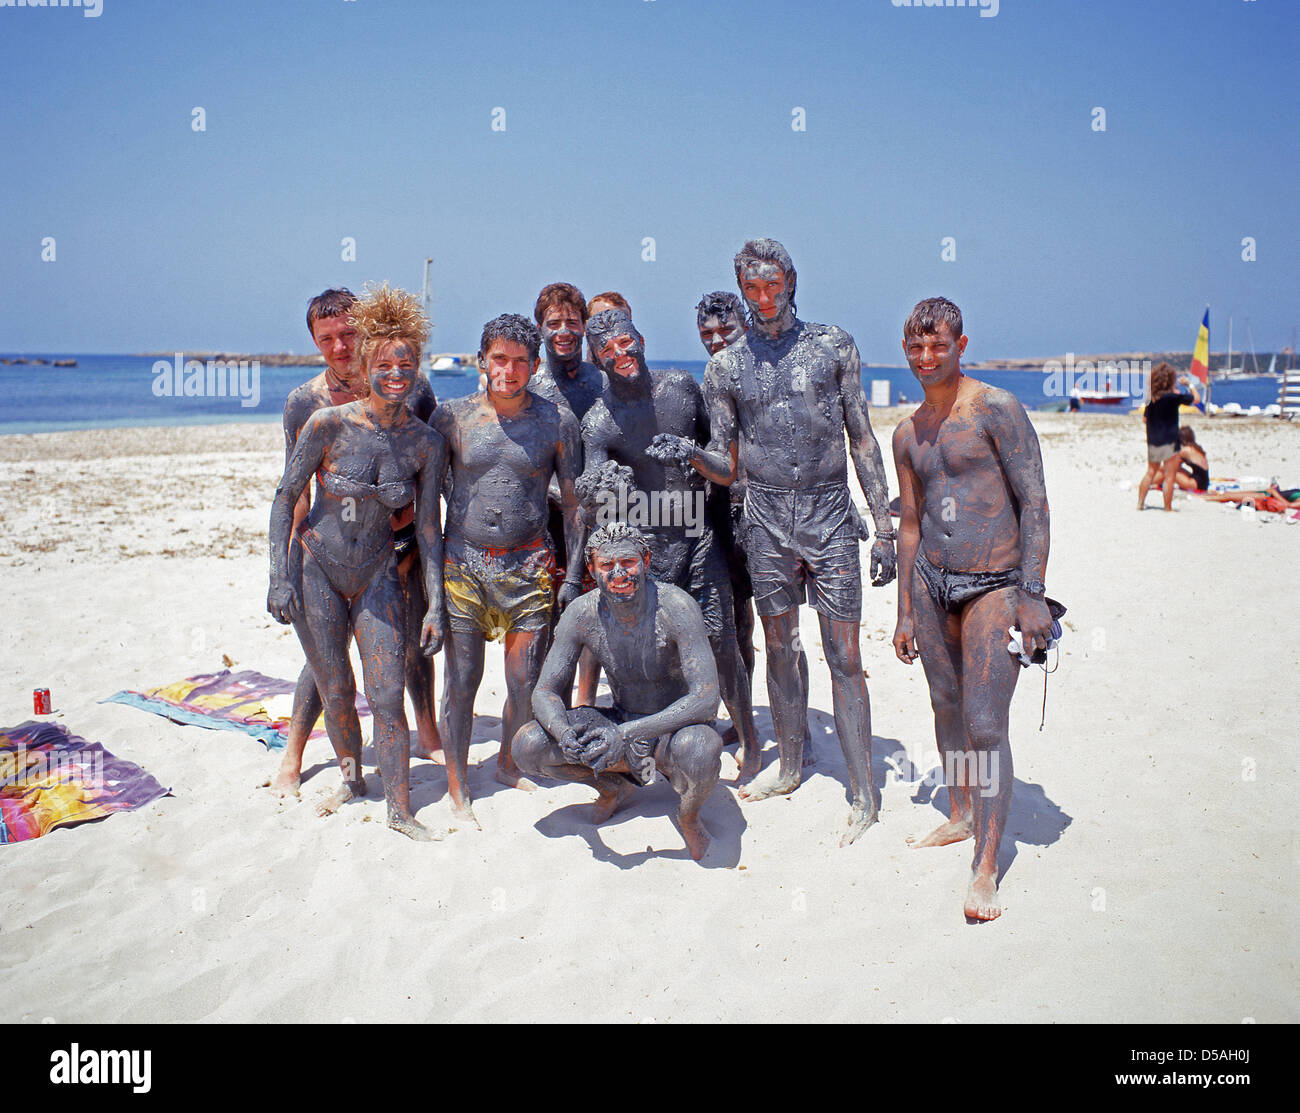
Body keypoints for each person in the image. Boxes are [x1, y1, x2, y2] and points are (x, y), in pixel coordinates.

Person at [660, 238, 897, 845]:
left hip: (829, 511)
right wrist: (690, 454)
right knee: (782, 644)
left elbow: (862, 440)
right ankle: (790, 766)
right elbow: (726, 458)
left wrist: (884, 526)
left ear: (791, 280)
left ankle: (864, 792)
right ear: (742, 290)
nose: (764, 298)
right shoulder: (726, 368)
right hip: (764, 517)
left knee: (844, 656)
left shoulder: (832, 345)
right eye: (752, 288)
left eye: (772, 285)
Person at [891, 296, 1053, 921]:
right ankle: (960, 812)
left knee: (985, 724)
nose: (926, 356)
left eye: (938, 345)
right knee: (945, 704)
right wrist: (905, 608)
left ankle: (986, 865)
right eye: (915, 346)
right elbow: (909, 522)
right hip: (932, 583)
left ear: (961, 345)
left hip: (995, 584)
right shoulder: (907, 432)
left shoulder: (995, 409)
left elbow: (1034, 501)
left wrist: (1033, 593)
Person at [267, 283, 446, 840]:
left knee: (385, 691)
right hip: (317, 562)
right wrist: (279, 575)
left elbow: (429, 526)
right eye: (383, 363)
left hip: (379, 568)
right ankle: (350, 777)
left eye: (406, 364)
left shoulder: (424, 439)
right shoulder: (322, 419)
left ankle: (401, 809)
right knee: (335, 686)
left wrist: (436, 602)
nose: (395, 373)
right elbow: (285, 494)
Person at [578, 309, 761, 780]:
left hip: (698, 538)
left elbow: (725, 464)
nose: (620, 354)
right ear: (596, 360)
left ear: (640, 338)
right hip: (647, 553)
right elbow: (589, 492)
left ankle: (749, 741)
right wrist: (603, 485)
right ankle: (652, 743)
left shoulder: (679, 387)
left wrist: (691, 453)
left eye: (625, 343)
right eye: (606, 350)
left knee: (722, 641)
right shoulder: (599, 423)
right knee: (651, 649)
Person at [432, 313, 585, 826]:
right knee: (462, 679)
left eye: (521, 361)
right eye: (499, 358)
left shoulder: (555, 421)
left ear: (536, 365)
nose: (509, 370)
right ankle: (457, 784)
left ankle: (505, 761)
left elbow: (574, 503)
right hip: (465, 565)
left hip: (530, 565)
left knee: (524, 681)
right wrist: (432, 588)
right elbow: (427, 505)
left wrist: (574, 574)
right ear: (482, 361)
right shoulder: (451, 418)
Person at [512, 523, 723, 861]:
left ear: (646, 560)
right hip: (620, 718)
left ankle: (688, 815)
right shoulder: (581, 612)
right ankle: (612, 786)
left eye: (628, 562)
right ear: (592, 568)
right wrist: (564, 733)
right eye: (607, 566)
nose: (619, 574)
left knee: (699, 749)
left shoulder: (676, 606)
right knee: (528, 745)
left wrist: (625, 734)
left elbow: (706, 698)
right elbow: (545, 691)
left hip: (672, 730)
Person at [528, 282, 607, 707]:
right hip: (547, 516)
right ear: (540, 327)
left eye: (572, 322)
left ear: (585, 328)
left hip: (599, 514)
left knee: (594, 610)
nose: (563, 330)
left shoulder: (602, 381)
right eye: (553, 323)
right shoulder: (533, 386)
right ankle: (546, 700)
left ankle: (586, 700)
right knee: (549, 614)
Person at [1137, 363, 1200, 511]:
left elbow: (1145, 419)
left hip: (1153, 441)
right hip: (1171, 442)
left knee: (1150, 473)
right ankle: (1167, 507)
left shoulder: (1151, 399)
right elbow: (1196, 399)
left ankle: (1140, 503)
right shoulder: (1174, 397)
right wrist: (1189, 384)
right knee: (1169, 476)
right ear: (1170, 380)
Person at [1173, 426, 1210, 492]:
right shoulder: (1196, 448)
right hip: (1204, 483)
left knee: (1168, 472)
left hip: (1196, 485)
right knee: (1177, 470)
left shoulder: (1185, 450)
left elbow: (1172, 466)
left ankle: (1151, 482)